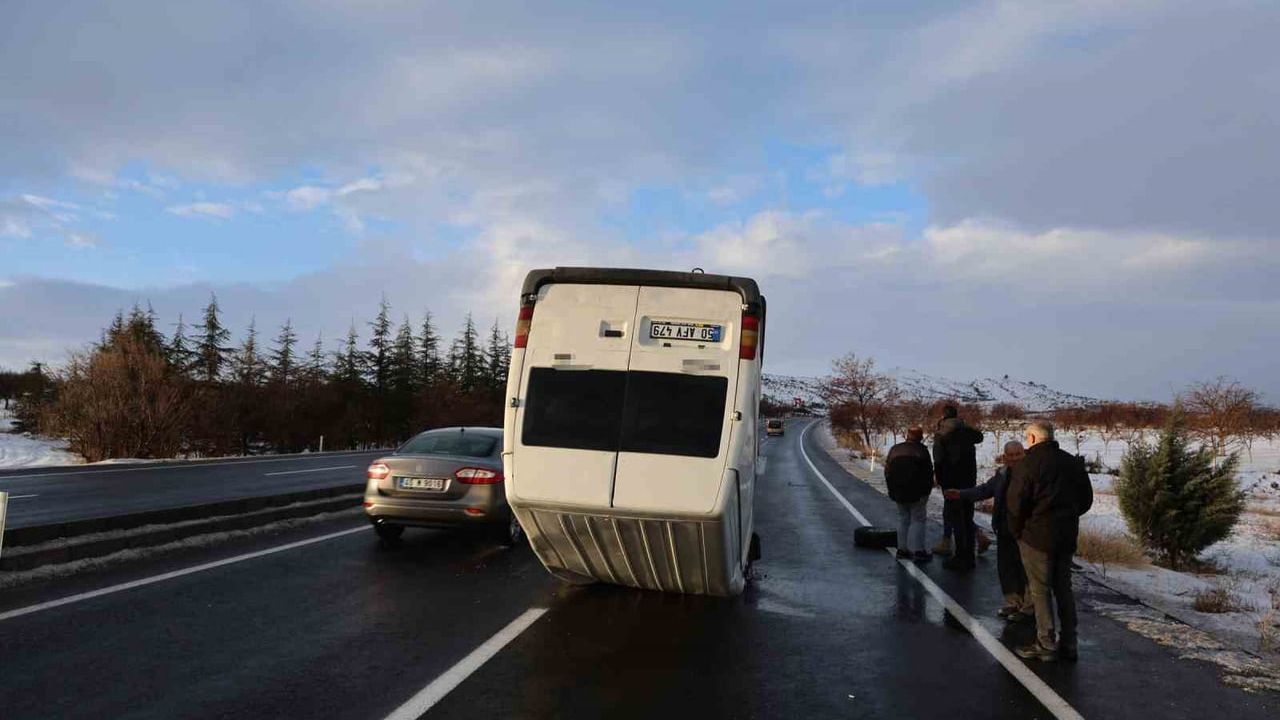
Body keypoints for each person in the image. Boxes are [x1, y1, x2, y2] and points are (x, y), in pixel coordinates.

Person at [1006, 421, 1094, 662]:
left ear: (1033, 438)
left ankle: (1045, 642)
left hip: (1036, 536)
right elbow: (1086, 499)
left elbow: (1016, 504)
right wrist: (1067, 515)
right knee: (1064, 589)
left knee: (1040, 590)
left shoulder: (1027, 465)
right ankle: (1070, 641)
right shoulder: (1071, 463)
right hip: (1065, 535)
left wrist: (1017, 531)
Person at [945, 441, 1032, 620]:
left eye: (1018, 454)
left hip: (1025, 531)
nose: (1014, 458)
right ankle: (1011, 603)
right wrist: (961, 494)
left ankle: (1028, 607)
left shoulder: (1031, 475)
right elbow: (985, 490)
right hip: (1004, 528)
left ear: (1023, 454)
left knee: (1025, 569)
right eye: (1010, 455)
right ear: (1005, 456)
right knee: (1006, 568)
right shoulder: (1002, 474)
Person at [932, 405, 984, 571]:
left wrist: (940, 480)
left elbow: (938, 459)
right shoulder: (967, 431)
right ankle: (968, 554)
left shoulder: (942, 435)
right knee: (967, 517)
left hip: (951, 481)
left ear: (943, 416)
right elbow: (979, 436)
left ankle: (961, 557)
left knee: (955, 516)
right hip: (969, 480)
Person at [885, 426, 934, 562]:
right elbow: (928, 473)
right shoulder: (922, 451)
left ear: (907, 435)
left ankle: (902, 550)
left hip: (898, 491)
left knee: (903, 519)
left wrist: (891, 490)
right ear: (920, 437)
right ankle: (918, 550)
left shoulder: (895, 449)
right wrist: (927, 491)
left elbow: (887, 471)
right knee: (918, 520)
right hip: (918, 493)